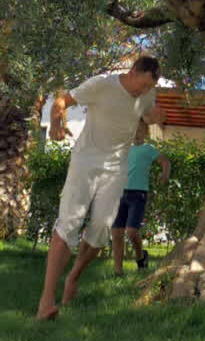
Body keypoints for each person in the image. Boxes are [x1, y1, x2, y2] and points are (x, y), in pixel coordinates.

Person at [36, 56, 167, 321]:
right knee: (68, 224)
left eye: (147, 88)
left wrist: (155, 116)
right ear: (131, 73)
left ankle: (73, 277)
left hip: (116, 169)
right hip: (86, 161)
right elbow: (62, 101)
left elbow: (150, 113)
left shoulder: (147, 94)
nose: (143, 91)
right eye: (141, 85)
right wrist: (56, 124)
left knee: (100, 232)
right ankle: (46, 301)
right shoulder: (102, 85)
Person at [111, 121, 171, 275]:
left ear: (146, 133)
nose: (136, 132)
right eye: (133, 129)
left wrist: (164, 174)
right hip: (120, 193)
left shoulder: (148, 149)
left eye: (140, 130)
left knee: (131, 231)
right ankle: (118, 271)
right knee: (117, 234)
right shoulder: (123, 149)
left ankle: (140, 256)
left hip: (138, 194)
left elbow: (165, 162)